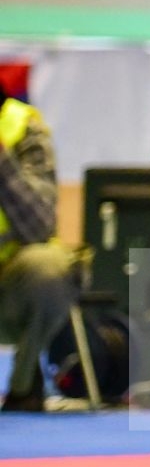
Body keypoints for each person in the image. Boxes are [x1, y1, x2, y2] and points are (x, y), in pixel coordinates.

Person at [0, 81, 78, 413]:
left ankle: (24, 383)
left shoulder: (22, 124)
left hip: (8, 287)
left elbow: (40, 226)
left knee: (47, 265)